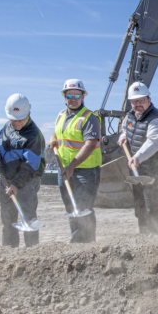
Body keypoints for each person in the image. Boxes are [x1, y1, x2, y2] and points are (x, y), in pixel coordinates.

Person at [0, 94, 46, 247]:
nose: (17, 123)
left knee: (28, 218)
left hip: (27, 181)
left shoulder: (34, 135)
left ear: (29, 114)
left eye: (21, 120)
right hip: (6, 178)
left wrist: (17, 185)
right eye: (13, 120)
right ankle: (9, 250)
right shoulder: (7, 127)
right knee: (8, 219)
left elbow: (31, 165)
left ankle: (32, 252)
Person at [48, 79, 102, 243]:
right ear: (64, 97)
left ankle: (86, 245)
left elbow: (91, 144)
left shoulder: (89, 118)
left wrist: (71, 166)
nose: (73, 98)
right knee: (71, 208)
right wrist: (52, 138)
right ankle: (77, 243)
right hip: (64, 169)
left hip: (85, 171)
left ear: (83, 96)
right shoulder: (61, 115)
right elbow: (57, 133)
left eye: (77, 95)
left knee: (84, 209)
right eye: (69, 95)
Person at [118, 82, 158, 235]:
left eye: (141, 100)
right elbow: (125, 128)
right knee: (140, 209)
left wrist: (137, 157)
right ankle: (144, 240)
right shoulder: (129, 116)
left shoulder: (157, 119)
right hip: (137, 171)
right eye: (135, 101)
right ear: (130, 102)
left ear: (149, 99)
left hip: (155, 173)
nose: (138, 104)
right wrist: (123, 136)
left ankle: (155, 242)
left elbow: (152, 143)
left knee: (152, 210)